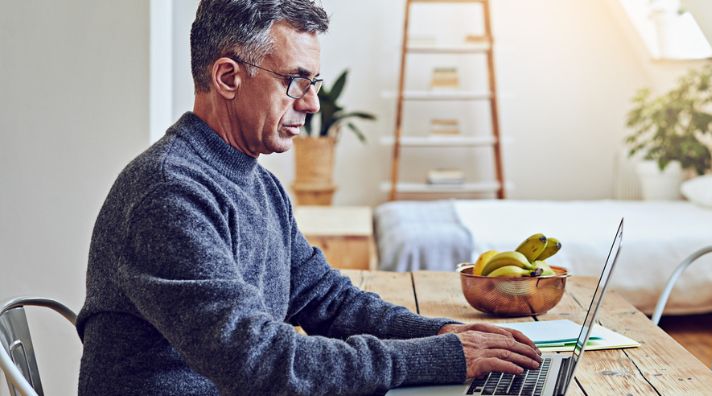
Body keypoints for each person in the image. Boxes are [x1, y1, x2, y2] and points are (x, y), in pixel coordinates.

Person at [76, 1, 540, 394]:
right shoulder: (170, 194)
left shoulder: (257, 184)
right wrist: (439, 358)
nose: (312, 103)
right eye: (294, 80)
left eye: (313, 83)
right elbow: (262, 361)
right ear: (227, 77)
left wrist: (442, 333)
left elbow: (328, 300)